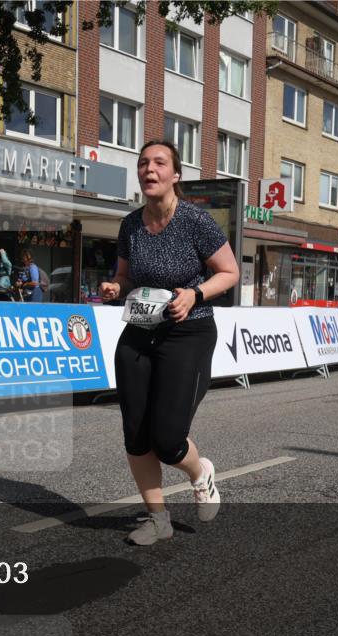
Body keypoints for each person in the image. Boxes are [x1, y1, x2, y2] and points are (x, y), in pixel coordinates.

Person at [99, 140, 240, 546]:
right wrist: (115, 287)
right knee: (136, 434)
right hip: (140, 330)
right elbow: (125, 276)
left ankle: (200, 473)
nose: (150, 169)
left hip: (188, 332)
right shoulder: (130, 224)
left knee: (167, 438)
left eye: (159, 163)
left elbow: (229, 272)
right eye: (143, 163)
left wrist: (195, 294)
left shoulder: (195, 221)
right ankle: (158, 519)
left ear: (175, 174)